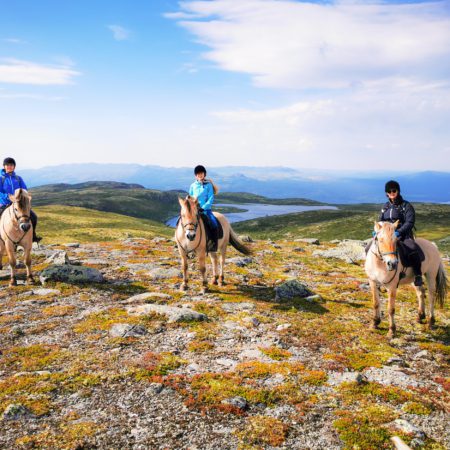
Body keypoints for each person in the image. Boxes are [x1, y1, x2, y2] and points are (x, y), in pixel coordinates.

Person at [378, 180, 423, 286]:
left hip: (403, 234)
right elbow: (380, 220)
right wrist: (377, 231)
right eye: (389, 191)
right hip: (387, 235)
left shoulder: (406, 206)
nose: (392, 193)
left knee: (412, 247)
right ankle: (376, 275)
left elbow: (410, 222)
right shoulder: (385, 207)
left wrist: (398, 232)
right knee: (370, 247)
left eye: (394, 190)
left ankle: (418, 275)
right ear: (386, 193)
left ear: (398, 191)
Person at [0, 157, 41, 243]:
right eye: (7, 165)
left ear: (14, 167)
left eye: (11, 165)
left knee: (33, 216)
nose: (9, 166)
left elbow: (24, 190)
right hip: (5, 203)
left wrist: (23, 198)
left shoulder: (18, 178)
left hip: (19, 204)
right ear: (4, 166)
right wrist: (8, 197)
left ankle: (33, 236)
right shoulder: (1, 178)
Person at [189, 165, 219, 251]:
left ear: (204, 174)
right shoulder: (193, 185)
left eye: (201, 173)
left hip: (205, 210)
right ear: (196, 175)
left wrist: (203, 208)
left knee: (214, 223)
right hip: (194, 209)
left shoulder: (208, 185)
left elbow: (210, 198)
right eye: (198, 174)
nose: (200, 175)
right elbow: (190, 196)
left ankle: (213, 245)